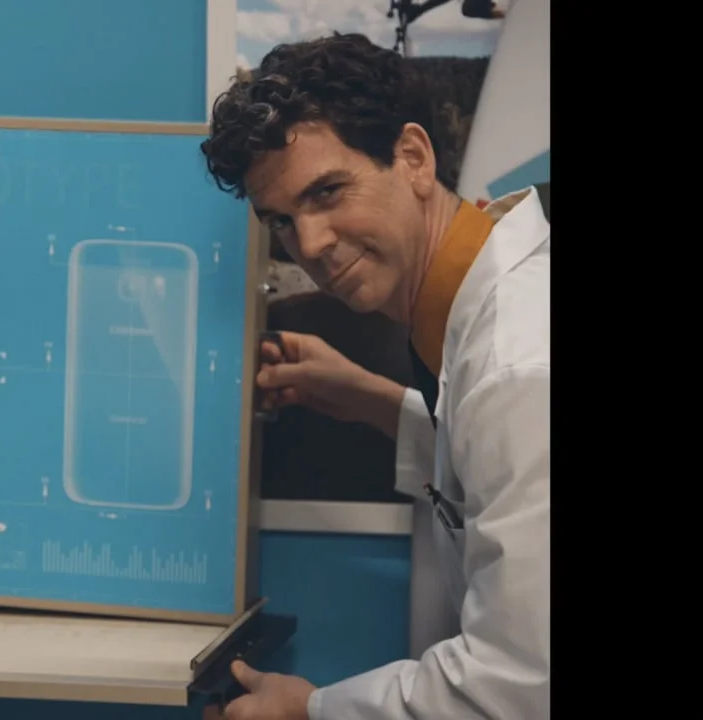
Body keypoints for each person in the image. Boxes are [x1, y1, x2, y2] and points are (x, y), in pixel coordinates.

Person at [199, 33, 549, 720]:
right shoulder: (490, 327)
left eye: (328, 191)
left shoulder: (515, 367)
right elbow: (493, 457)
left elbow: (513, 688)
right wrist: (373, 402)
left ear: (413, 157)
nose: (310, 244)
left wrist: (312, 709)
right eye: (282, 221)